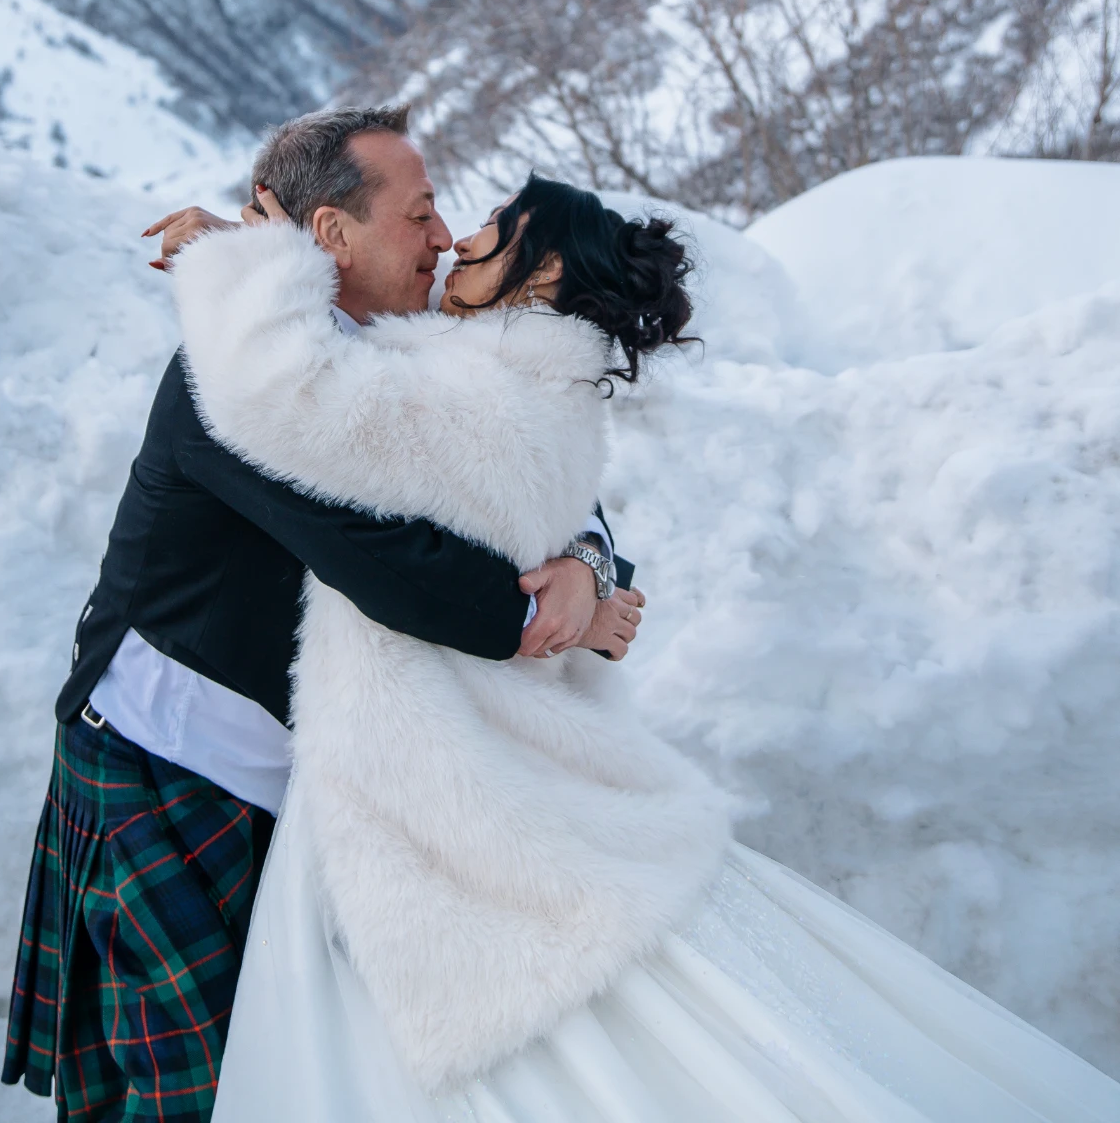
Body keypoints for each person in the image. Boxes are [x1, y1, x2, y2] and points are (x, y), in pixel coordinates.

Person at [169, 169, 1120, 1123]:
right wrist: (592, 566)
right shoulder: (535, 386)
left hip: (430, 778)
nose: (459, 240)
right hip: (444, 764)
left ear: (538, 276)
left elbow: (286, 394)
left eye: (492, 230)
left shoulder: (472, 395)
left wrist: (248, 262)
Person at [2, 106, 638, 1123]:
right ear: (331, 238)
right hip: (164, 766)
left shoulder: (392, 346)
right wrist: (546, 618)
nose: (443, 238)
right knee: (187, 1098)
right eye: (420, 214)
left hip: (291, 791)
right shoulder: (235, 383)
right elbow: (393, 567)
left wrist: (583, 562)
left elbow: (514, 463)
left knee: (285, 1082)